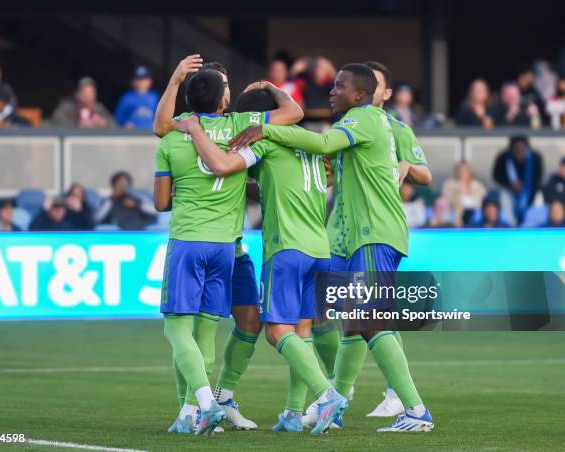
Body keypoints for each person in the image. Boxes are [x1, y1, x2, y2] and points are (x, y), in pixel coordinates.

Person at [229, 63, 434, 432]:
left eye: (339, 86)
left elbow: (323, 143)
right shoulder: (360, 125)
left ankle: (413, 409)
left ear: (360, 95)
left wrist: (266, 129)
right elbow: (328, 160)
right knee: (353, 322)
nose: (332, 91)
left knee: (371, 319)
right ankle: (333, 403)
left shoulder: (365, 118)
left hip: (376, 234)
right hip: (353, 238)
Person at [154, 56, 304, 433]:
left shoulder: (175, 136)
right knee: (205, 333)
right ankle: (191, 413)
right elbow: (295, 112)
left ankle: (204, 404)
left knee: (178, 329)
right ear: (223, 99)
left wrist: (190, 191)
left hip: (189, 239)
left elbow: (159, 201)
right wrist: (270, 88)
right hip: (225, 244)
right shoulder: (243, 125)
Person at [492, 135, 543, 223]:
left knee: (539, 197)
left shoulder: (535, 158)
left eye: (522, 149)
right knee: (503, 196)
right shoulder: (504, 158)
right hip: (510, 191)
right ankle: (511, 225)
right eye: (517, 149)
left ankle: (531, 225)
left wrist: (526, 190)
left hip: (530, 191)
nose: (520, 152)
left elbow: (538, 179)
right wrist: (510, 185)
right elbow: (496, 176)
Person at [51, 77, 116, 128]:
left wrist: (103, 123)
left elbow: (115, 125)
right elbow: (57, 124)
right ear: (78, 94)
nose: (89, 97)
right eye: (86, 93)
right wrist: (78, 125)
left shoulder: (98, 108)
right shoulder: (66, 107)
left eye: (92, 93)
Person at [442, 162, 487, 226]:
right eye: (460, 171)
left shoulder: (478, 186)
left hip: (474, 212)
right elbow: (447, 200)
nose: (462, 173)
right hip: (455, 212)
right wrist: (461, 188)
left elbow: (482, 201)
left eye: (465, 171)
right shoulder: (449, 184)